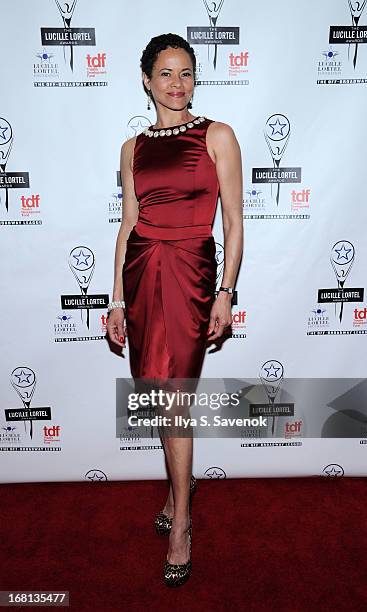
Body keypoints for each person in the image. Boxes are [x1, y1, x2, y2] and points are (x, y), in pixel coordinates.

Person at [107, 33, 243, 587]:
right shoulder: (132, 147)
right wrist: (115, 297)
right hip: (142, 271)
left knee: (175, 396)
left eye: (185, 71)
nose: (177, 82)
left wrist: (226, 291)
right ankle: (176, 488)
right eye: (165, 72)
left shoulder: (218, 136)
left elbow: (233, 223)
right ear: (147, 80)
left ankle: (182, 522)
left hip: (190, 273)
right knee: (159, 393)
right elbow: (127, 224)